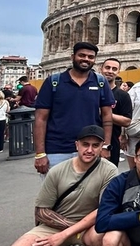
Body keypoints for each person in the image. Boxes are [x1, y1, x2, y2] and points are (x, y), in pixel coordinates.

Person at [0, 125, 116, 246]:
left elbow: (104, 210)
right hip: (56, 225)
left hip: (88, 226)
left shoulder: (109, 170)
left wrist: (66, 234)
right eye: (85, 144)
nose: (89, 150)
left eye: (95, 145)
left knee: (100, 235)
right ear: (77, 145)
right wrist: (64, 232)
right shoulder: (58, 170)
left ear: (101, 147)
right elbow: (41, 212)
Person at [34, 42, 114, 174]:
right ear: (72, 57)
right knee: (56, 194)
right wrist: (40, 153)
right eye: (82, 55)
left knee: (90, 193)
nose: (86, 59)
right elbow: (40, 118)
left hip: (90, 149)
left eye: (90, 57)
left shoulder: (100, 82)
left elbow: (107, 117)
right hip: (57, 149)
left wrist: (105, 146)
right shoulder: (53, 82)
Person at [101, 57, 133, 166]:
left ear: (118, 72)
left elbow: (127, 121)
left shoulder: (123, 95)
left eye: (114, 69)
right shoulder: (91, 91)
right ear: (101, 69)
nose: (110, 71)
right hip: (88, 141)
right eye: (107, 68)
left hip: (112, 143)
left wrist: (104, 113)